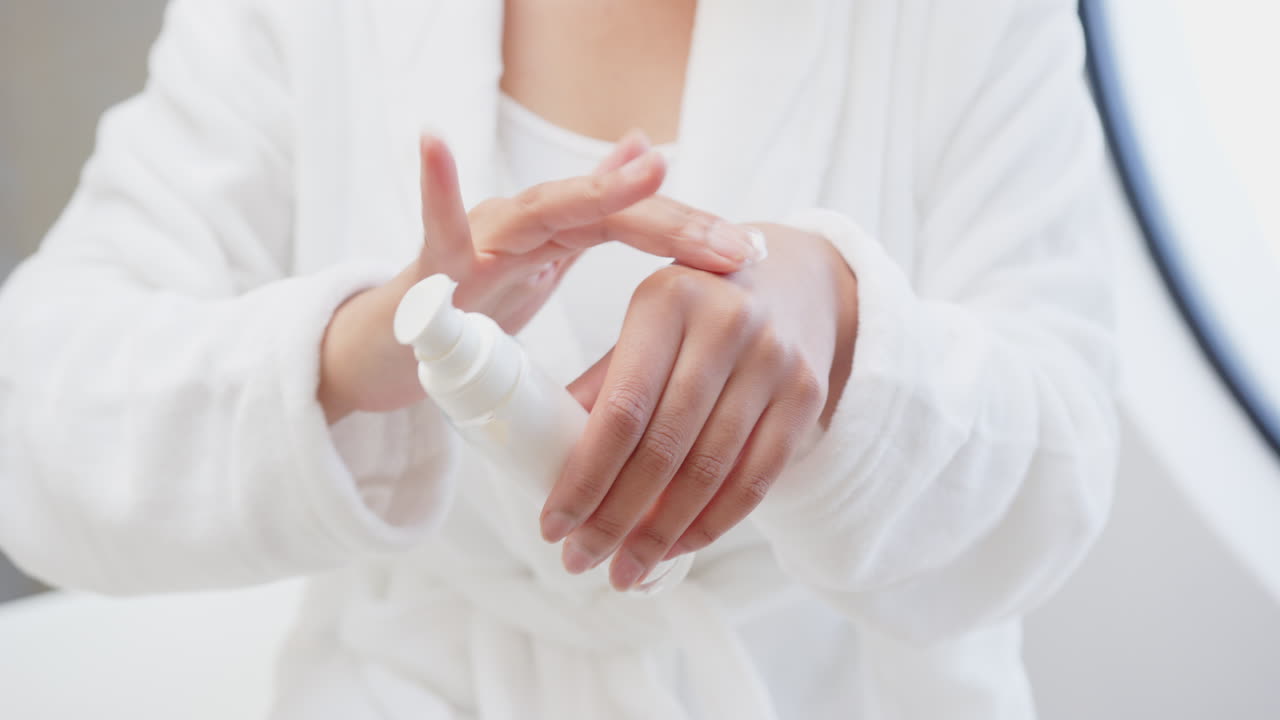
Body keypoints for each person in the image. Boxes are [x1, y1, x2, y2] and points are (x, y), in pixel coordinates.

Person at [0, 0, 1119, 717]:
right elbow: (34, 414)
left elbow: (1060, 470)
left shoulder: (972, 23)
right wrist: (355, 354)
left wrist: (841, 324)